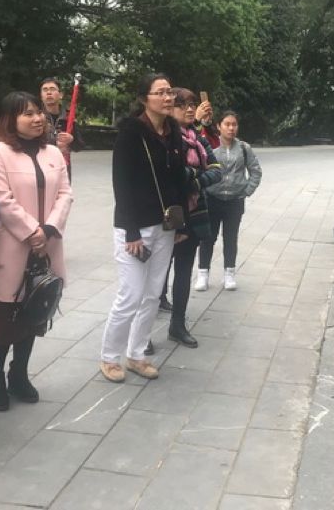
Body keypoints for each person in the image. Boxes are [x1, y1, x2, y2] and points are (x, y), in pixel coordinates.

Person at [0, 92, 72, 411]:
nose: (37, 119)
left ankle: (18, 373)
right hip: (12, 246)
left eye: (38, 113)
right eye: (28, 114)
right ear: (10, 119)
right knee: (4, 317)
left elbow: (65, 193)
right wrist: (32, 231)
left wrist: (49, 229)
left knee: (35, 311)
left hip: (47, 245)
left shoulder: (53, 153)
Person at [100, 74, 187, 383]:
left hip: (165, 226)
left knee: (152, 294)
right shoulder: (130, 134)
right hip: (135, 227)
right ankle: (110, 357)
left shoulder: (173, 132)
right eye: (160, 92)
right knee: (131, 295)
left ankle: (137, 354)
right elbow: (121, 184)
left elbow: (178, 179)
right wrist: (132, 231)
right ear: (143, 98)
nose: (167, 98)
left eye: (170, 92)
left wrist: (181, 222)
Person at [158, 88, 222, 349]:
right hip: (167, 214)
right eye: (181, 104)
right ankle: (142, 332)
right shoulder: (164, 138)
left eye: (191, 104)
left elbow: (216, 170)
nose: (188, 108)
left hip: (194, 213)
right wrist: (195, 175)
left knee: (184, 271)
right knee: (157, 272)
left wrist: (194, 180)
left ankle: (177, 324)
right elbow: (171, 173)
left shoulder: (197, 138)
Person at [196, 110, 261, 292]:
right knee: (208, 238)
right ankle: (203, 274)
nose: (231, 128)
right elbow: (200, 168)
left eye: (234, 124)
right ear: (219, 126)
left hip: (234, 201)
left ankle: (229, 274)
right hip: (212, 199)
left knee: (231, 238)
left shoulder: (243, 148)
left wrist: (246, 190)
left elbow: (255, 171)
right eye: (227, 124)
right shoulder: (210, 146)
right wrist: (203, 188)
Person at [40, 78, 83, 181]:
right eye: (45, 90)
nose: (49, 92)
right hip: (41, 168)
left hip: (63, 169)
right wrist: (55, 144)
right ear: (41, 96)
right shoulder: (36, 117)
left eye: (52, 89)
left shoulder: (69, 118)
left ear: (60, 95)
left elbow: (79, 146)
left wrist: (71, 140)